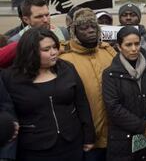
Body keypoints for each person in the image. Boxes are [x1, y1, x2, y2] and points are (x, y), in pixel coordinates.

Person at [2, 28, 95, 161]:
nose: (54, 53)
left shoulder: (67, 68)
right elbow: (7, 110)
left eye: (55, 47)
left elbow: (82, 103)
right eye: (46, 50)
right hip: (34, 149)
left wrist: (89, 136)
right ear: (30, 52)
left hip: (71, 143)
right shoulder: (10, 78)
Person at [102, 26, 146, 161]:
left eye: (137, 44)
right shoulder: (110, 74)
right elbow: (113, 107)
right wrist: (142, 126)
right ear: (119, 47)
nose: (134, 49)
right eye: (128, 45)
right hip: (123, 143)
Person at [60, 8, 117, 161]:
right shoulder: (64, 58)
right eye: (84, 27)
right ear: (74, 31)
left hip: (115, 135)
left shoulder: (108, 51)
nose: (90, 30)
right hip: (87, 141)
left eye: (93, 26)